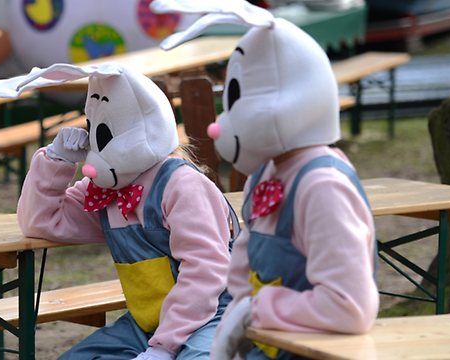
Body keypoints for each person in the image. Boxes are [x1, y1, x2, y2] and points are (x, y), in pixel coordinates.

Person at [151, 1, 379, 359]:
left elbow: (349, 308)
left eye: (238, 98)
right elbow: (243, 266)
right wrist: (240, 318)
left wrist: (255, 311)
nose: (217, 125)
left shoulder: (322, 186)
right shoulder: (266, 173)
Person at [0, 61, 237, 359]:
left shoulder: (182, 186)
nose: (95, 144)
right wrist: (56, 159)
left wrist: (164, 346)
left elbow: (206, 272)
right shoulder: (106, 192)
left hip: (212, 315)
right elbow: (39, 223)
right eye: (92, 130)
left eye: (103, 134)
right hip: (147, 322)